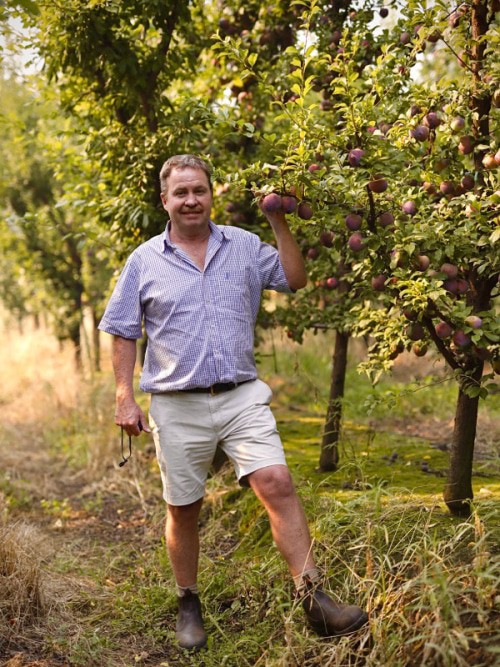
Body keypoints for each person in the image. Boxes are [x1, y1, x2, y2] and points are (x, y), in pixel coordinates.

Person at [99, 154, 368, 650]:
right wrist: (124, 396)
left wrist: (277, 219)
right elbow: (121, 329)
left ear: (210, 194)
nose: (191, 200)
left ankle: (315, 598)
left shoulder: (243, 247)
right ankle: (188, 601)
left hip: (241, 394)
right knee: (184, 508)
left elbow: (295, 277)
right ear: (165, 201)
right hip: (176, 403)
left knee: (277, 481)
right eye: (180, 193)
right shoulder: (144, 260)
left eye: (198, 190)